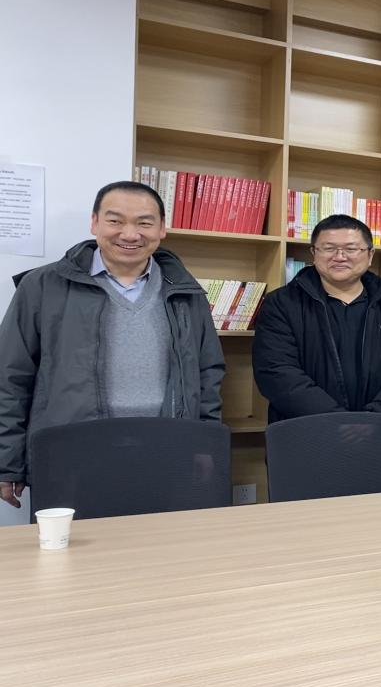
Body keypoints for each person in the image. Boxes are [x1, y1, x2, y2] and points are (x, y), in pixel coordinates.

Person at [0, 180, 225, 509]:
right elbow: (10, 377)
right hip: (70, 453)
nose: (130, 234)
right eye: (115, 220)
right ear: (94, 223)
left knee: (161, 539)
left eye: (144, 223)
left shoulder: (185, 293)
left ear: (162, 229)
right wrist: (7, 461)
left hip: (166, 448)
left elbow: (208, 373)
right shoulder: (42, 286)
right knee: (73, 542)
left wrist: (204, 444)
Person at [253, 214, 381, 421]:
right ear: (314, 253)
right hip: (303, 429)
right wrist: (339, 423)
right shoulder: (280, 304)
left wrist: (373, 420)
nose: (339, 256)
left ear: (370, 255)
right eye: (329, 248)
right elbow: (276, 371)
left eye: (351, 249)